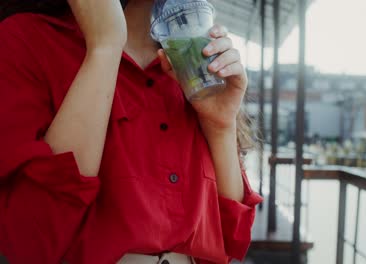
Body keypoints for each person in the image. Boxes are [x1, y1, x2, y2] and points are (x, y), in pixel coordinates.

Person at [0, 0, 262, 263]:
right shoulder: (26, 40)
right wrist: (105, 46)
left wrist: (221, 126)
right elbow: (32, 240)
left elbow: (231, 237)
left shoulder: (191, 56)